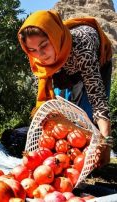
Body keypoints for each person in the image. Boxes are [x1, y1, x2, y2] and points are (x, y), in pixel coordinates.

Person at [17, 10, 113, 167]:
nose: (40, 55)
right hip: (63, 70)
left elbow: (98, 99)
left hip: (94, 63)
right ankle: (61, 161)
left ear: (55, 37)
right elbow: (47, 100)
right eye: (32, 50)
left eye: (44, 45)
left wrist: (106, 141)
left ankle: (85, 159)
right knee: (59, 113)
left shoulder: (83, 49)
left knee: (86, 116)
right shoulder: (38, 60)